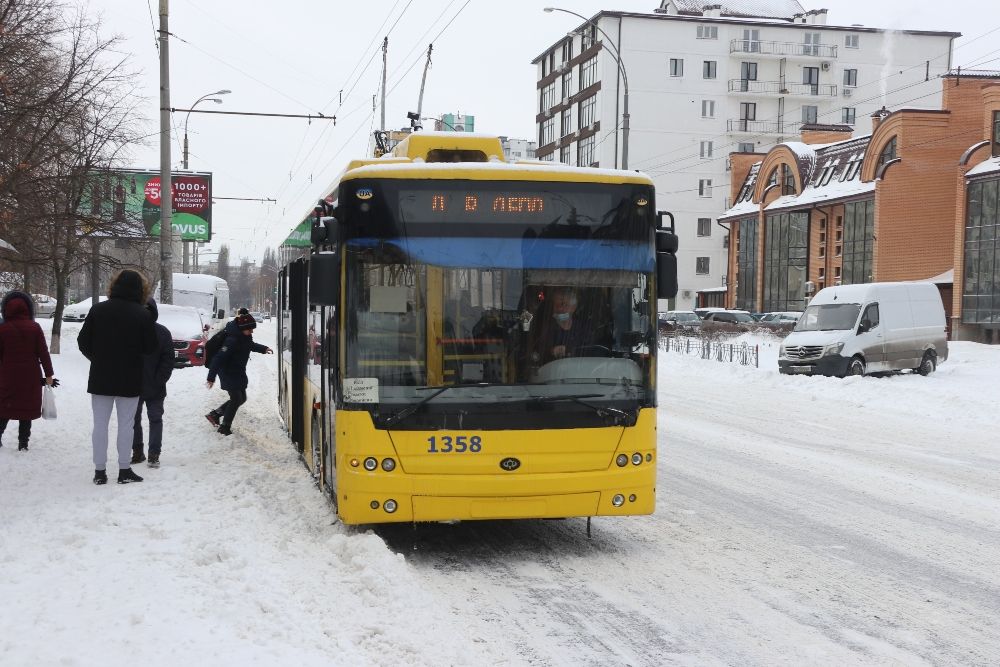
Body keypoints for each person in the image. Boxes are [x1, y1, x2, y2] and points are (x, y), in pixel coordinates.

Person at [78, 269, 158, 485]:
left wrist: (98, 358)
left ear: (114, 286)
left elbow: (83, 342)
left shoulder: (98, 310)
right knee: (126, 425)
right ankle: (124, 469)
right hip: (130, 377)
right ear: (141, 290)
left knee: (100, 425)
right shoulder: (142, 314)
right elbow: (151, 347)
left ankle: (99, 471)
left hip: (101, 377)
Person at [0, 291, 56, 451]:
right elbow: (43, 353)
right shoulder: (34, 328)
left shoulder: (2, 329)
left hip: (8, 375)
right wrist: (49, 374)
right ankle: (23, 443)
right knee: (26, 408)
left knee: (4, 407)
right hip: (30, 376)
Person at [205, 313, 272, 435]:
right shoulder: (231, 340)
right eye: (250, 329)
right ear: (242, 328)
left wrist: (264, 348)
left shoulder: (244, 336)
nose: (252, 331)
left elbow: (250, 345)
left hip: (238, 371)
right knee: (236, 399)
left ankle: (215, 414)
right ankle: (224, 427)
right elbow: (218, 359)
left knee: (242, 398)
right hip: (227, 372)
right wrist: (211, 377)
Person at [131, 299, 174, 468]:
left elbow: (168, 360)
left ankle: (154, 453)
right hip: (133, 386)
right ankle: (137, 451)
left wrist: (159, 379)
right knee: (133, 420)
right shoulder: (130, 332)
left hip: (155, 387)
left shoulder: (162, 333)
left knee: (155, 419)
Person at [530, 287, 608, 365]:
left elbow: (593, 351)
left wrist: (569, 350)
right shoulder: (545, 328)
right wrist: (551, 351)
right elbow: (536, 354)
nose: (559, 308)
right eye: (555, 305)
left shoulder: (583, 328)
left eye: (563, 304)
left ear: (574, 307)